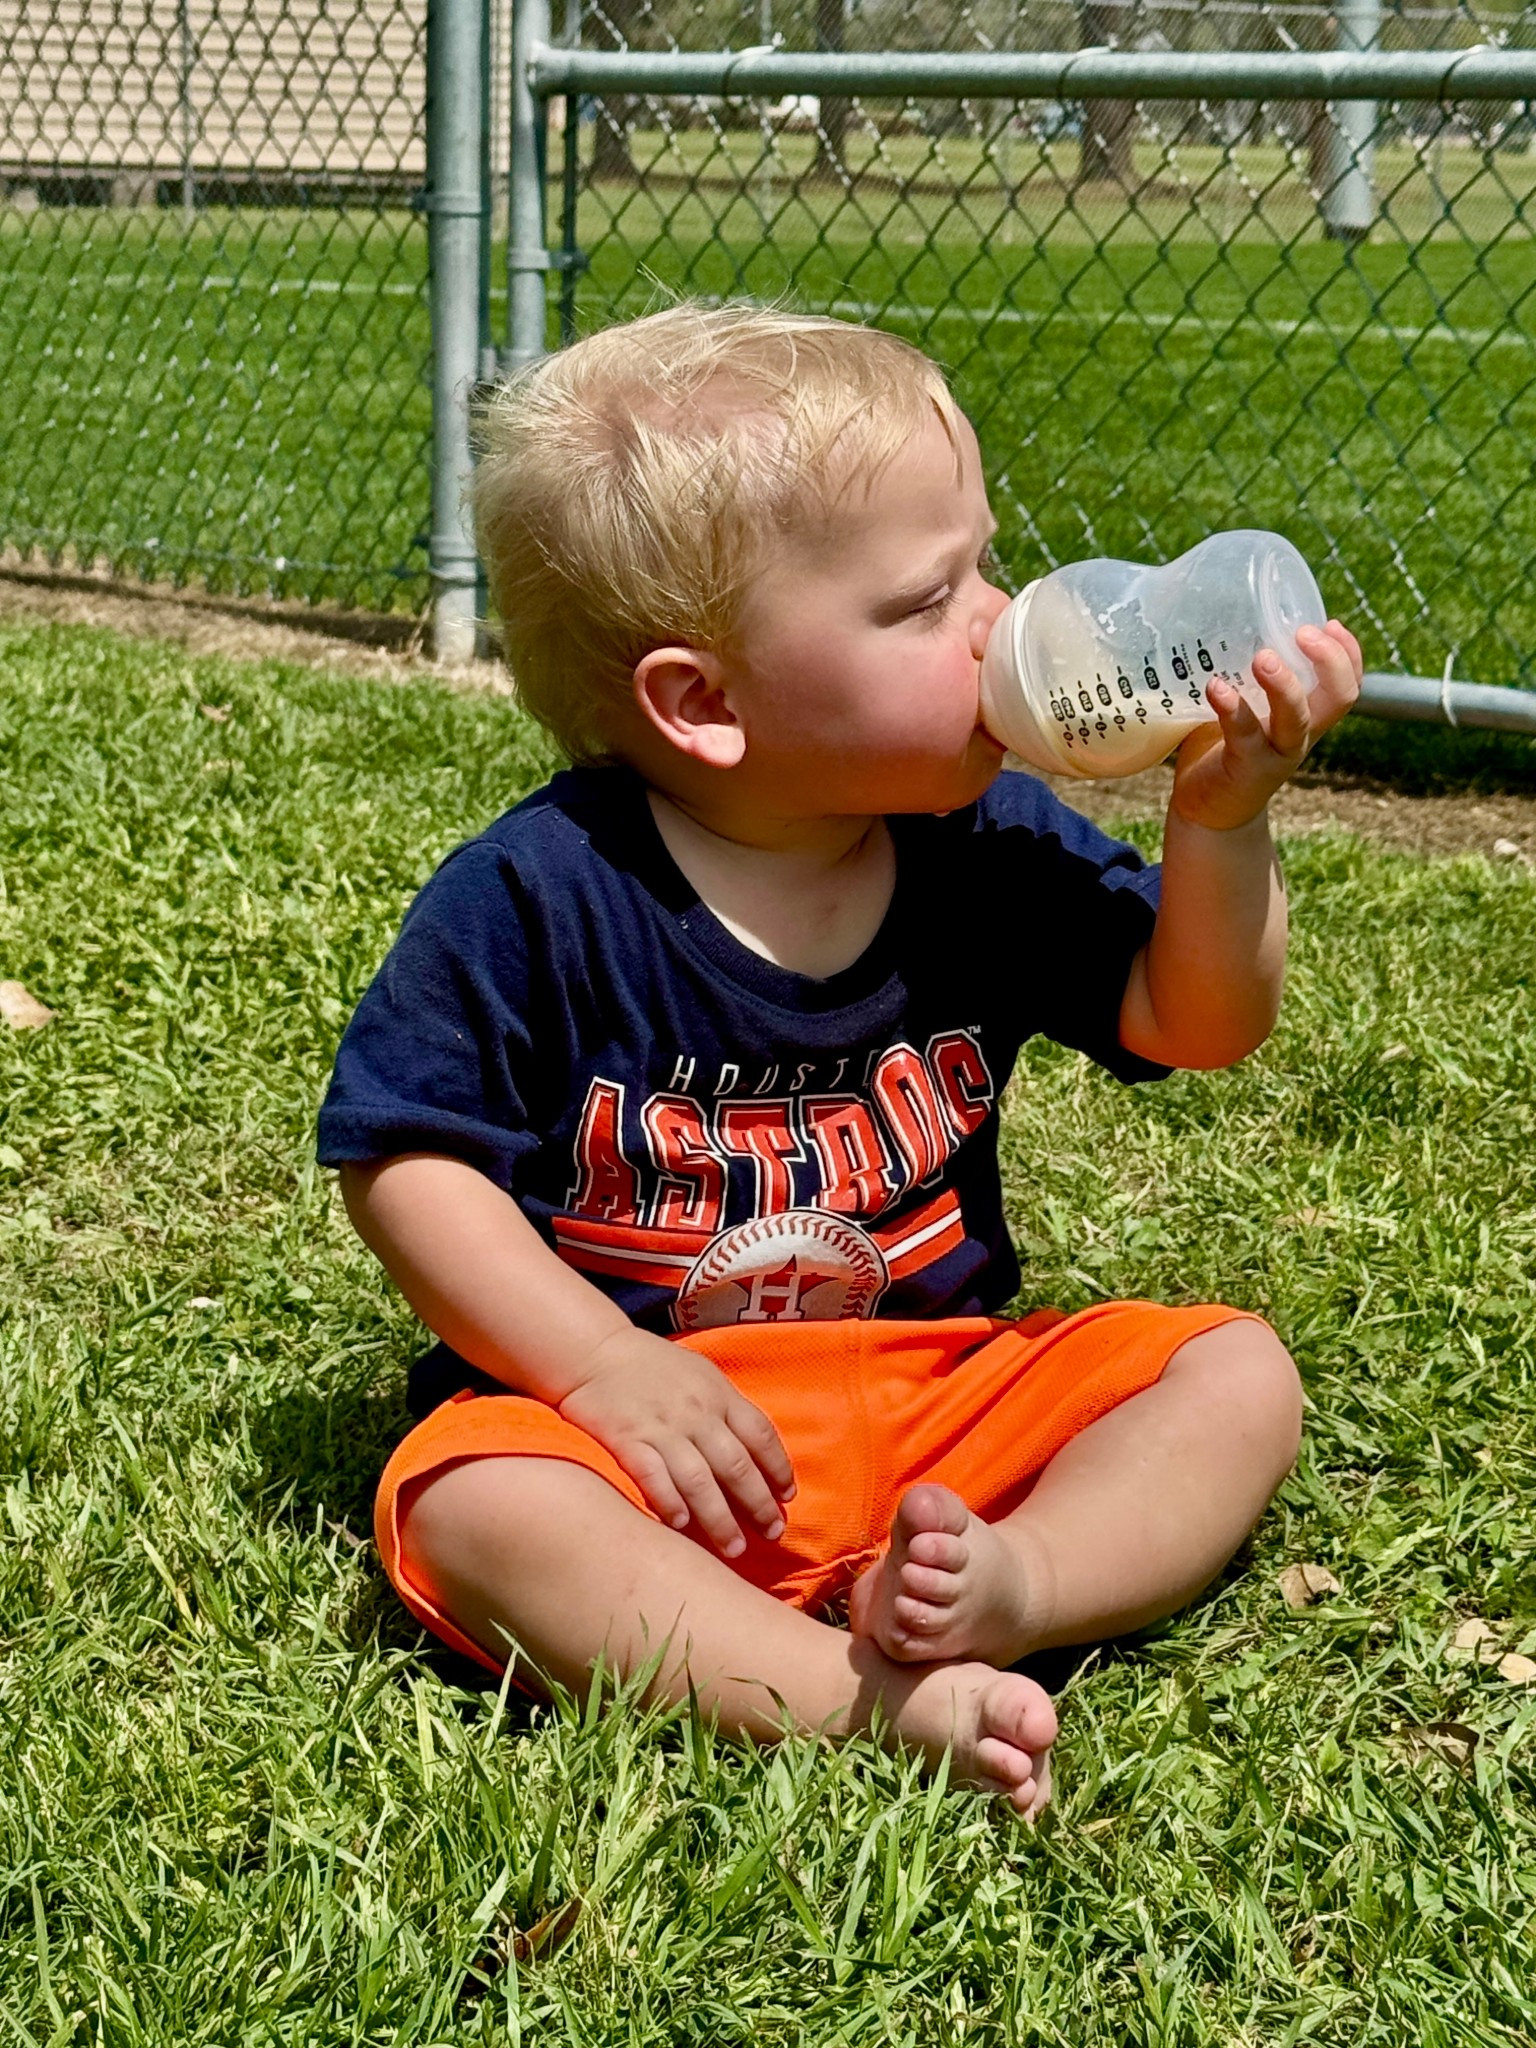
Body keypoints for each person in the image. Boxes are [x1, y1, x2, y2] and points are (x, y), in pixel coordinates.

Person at [318, 303, 1362, 1819]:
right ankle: (852, 1701)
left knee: (1235, 1373)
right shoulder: (540, 895)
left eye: (985, 565)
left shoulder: (981, 845)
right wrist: (598, 1368)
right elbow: (407, 1160)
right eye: (927, 601)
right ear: (706, 704)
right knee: (472, 1502)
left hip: (943, 1397)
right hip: (651, 1435)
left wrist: (1219, 820)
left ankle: (1015, 1581)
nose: (1001, 622)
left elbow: (1194, 1018)